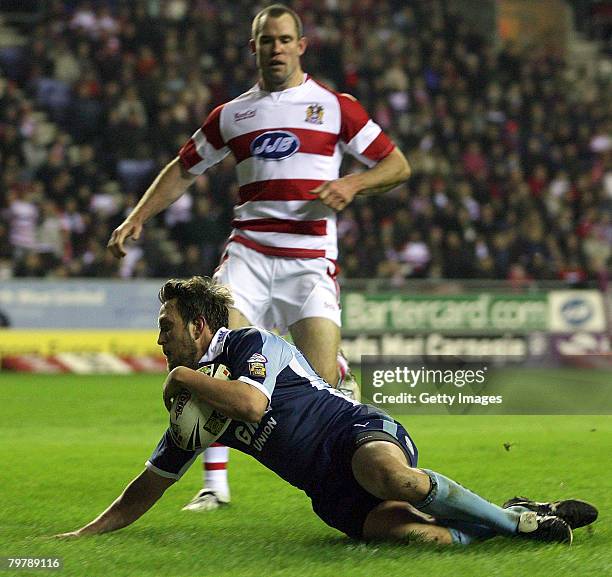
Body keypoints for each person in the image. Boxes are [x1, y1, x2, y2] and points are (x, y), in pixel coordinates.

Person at [107, 4, 411, 511]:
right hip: (248, 253)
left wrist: (353, 182)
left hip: (310, 259)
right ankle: (214, 487)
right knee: (217, 359)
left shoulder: (335, 108)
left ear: (300, 45)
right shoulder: (232, 114)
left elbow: (396, 165)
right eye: (266, 41)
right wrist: (138, 215)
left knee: (315, 391)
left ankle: (333, 372)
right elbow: (183, 170)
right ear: (254, 48)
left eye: (285, 39)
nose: (276, 49)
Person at [56, 276, 597, 545]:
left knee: (389, 477)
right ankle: (512, 513)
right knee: (420, 538)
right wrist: (83, 536)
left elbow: (251, 402)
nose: (159, 340)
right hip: (328, 493)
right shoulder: (194, 414)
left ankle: (520, 525)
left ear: (199, 327)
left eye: (166, 328)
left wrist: (179, 376)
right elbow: (147, 487)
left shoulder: (247, 344)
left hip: (355, 432)